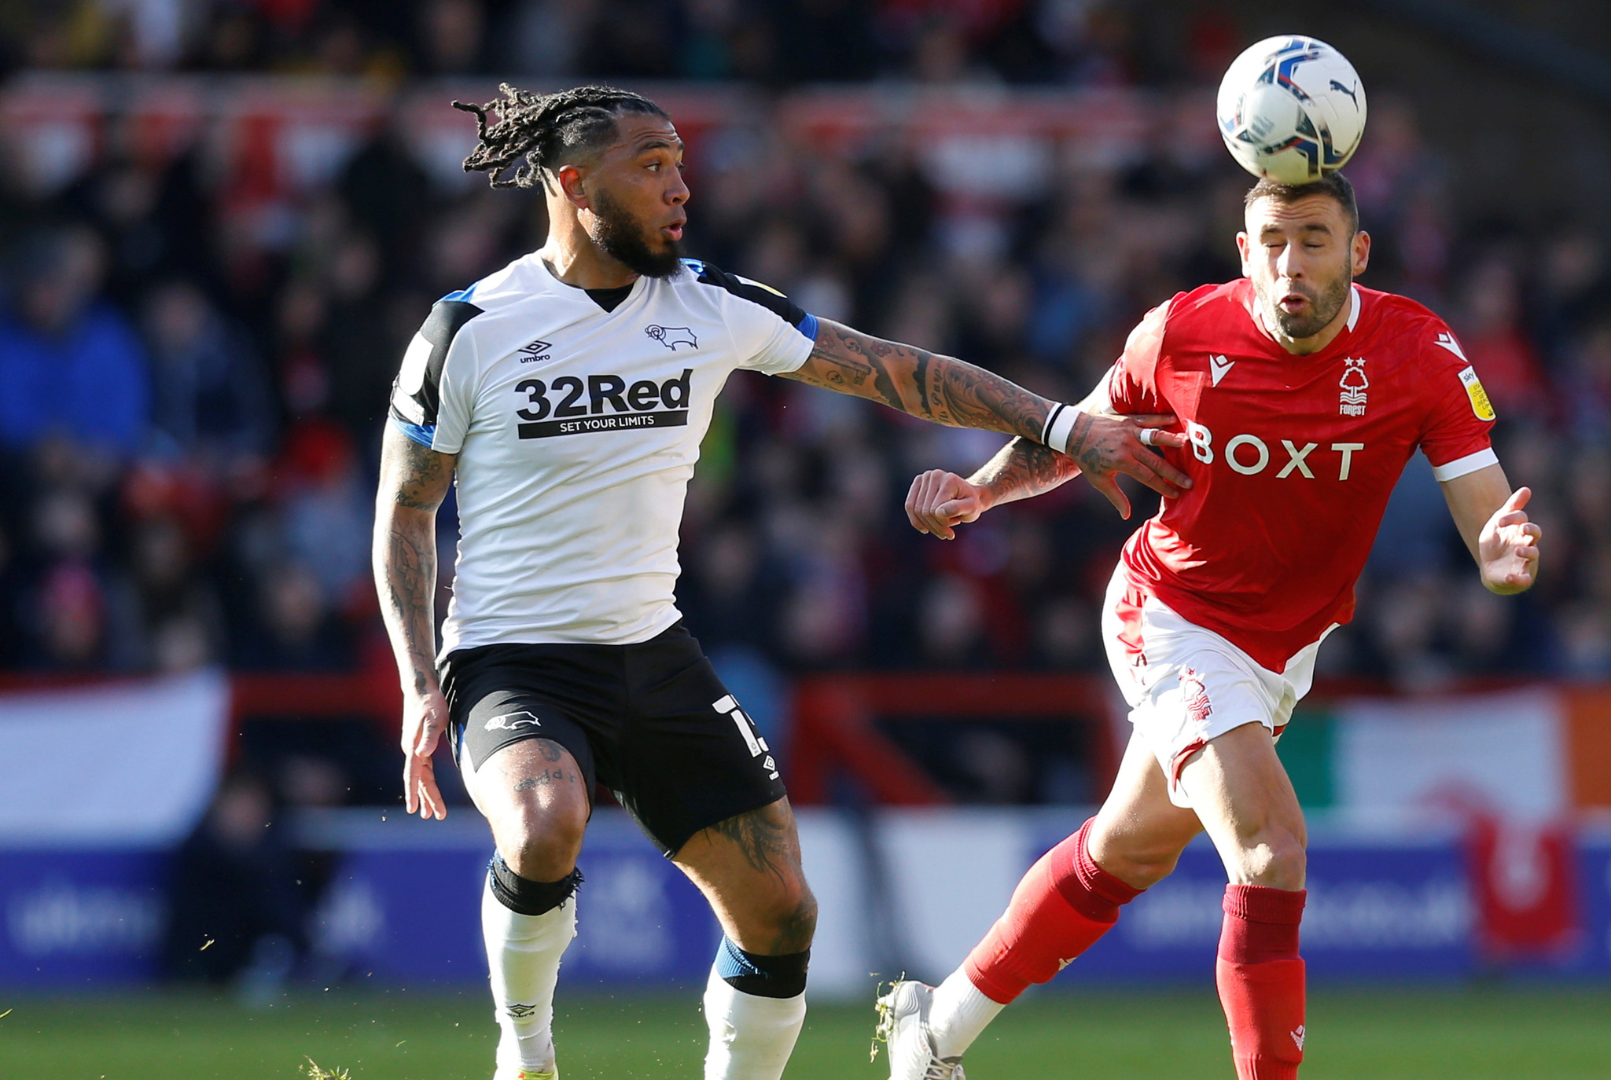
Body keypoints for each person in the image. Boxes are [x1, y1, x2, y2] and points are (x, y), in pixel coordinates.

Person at [370, 84, 1187, 1080]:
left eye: (680, 163)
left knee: (783, 912)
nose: (681, 188)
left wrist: (1062, 426)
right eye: (652, 167)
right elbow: (406, 509)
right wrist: (422, 682)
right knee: (545, 824)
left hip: (649, 648)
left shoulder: (710, 307)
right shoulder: (470, 329)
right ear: (575, 184)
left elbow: (893, 369)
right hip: (512, 658)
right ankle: (525, 1054)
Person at [886, 170, 1544, 1080]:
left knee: (1123, 852)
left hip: (1282, 649)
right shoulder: (1184, 331)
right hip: (1172, 614)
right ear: (1245, 252)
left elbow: (1486, 514)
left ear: (1358, 253)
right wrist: (981, 490)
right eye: (1272, 241)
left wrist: (1502, 555)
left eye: (1314, 240)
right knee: (1272, 848)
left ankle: (931, 1032)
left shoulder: (1418, 349)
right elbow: (1078, 436)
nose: (1291, 264)